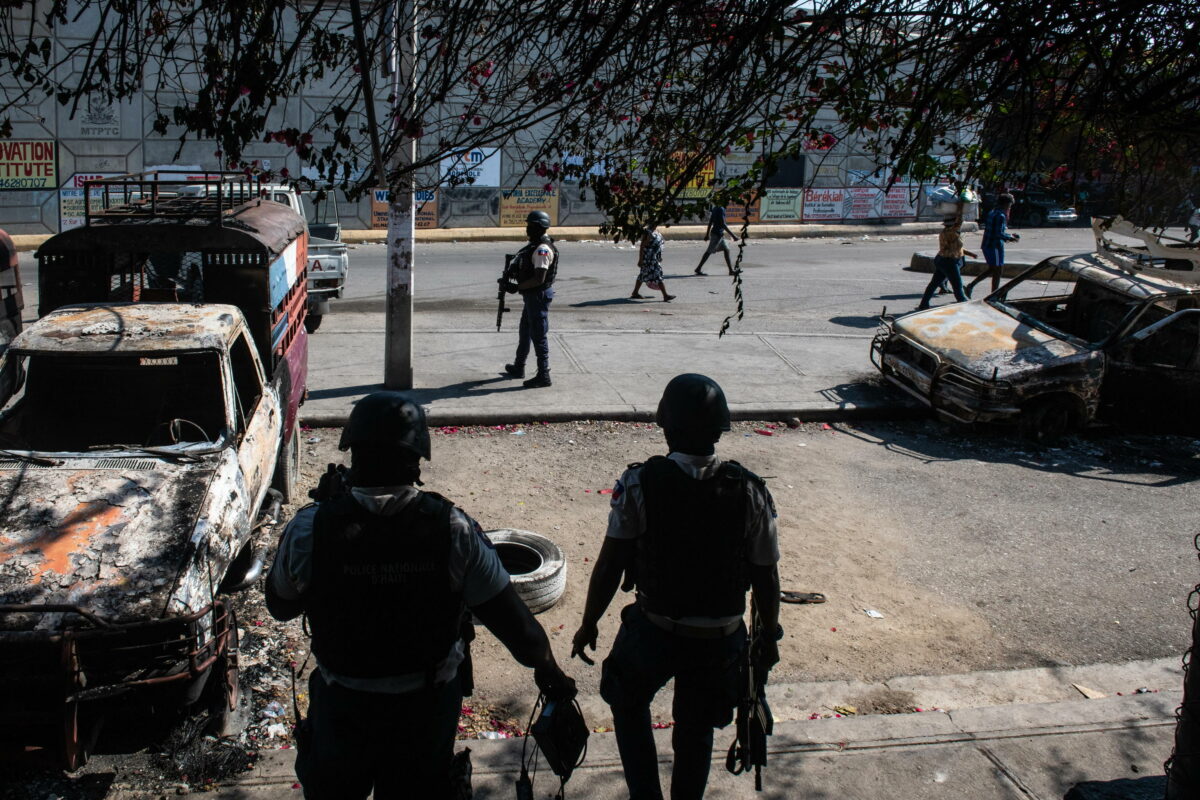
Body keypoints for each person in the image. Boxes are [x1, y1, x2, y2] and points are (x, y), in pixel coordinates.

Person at [265, 391, 575, 800]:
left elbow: (280, 605)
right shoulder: (454, 530)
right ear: (417, 461)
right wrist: (550, 672)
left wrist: (330, 526)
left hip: (342, 712)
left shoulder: (310, 529)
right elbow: (521, 633)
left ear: (353, 453)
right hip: (422, 716)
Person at [570, 374, 782, 800]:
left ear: (665, 426)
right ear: (719, 429)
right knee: (696, 729)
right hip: (720, 637)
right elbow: (766, 577)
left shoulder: (638, 483)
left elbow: (612, 562)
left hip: (655, 630)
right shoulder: (751, 491)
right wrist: (767, 636)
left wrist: (589, 622)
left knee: (627, 704)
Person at [501, 210, 559, 388]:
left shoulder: (542, 249)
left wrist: (516, 287)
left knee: (538, 335)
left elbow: (538, 279)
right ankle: (519, 366)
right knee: (525, 331)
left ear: (539, 228)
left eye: (530, 226)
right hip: (532, 296)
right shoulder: (533, 246)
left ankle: (544, 375)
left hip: (537, 296)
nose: (527, 229)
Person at [917, 210, 976, 310]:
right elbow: (960, 221)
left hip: (942, 260)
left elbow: (955, 247)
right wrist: (961, 208)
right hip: (949, 262)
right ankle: (965, 305)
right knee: (958, 286)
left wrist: (970, 254)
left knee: (934, 284)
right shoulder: (952, 232)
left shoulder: (947, 232)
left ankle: (924, 304)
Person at [965, 193, 1019, 297]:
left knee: (992, 269)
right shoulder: (1001, 216)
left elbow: (996, 231)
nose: (1010, 207)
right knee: (998, 271)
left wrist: (1008, 236)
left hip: (987, 245)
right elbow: (998, 233)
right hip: (995, 247)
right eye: (1010, 204)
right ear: (1006, 204)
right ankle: (994, 295)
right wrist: (1010, 238)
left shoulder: (993, 212)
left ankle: (971, 286)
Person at [631, 223, 675, 302]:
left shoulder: (656, 231)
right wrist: (640, 260)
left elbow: (658, 245)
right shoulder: (648, 232)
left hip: (654, 258)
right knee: (657, 276)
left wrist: (659, 256)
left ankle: (635, 292)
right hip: (649, 259)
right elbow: (642, 246)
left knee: (642, 275)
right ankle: (665, 295)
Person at [693, 206, 738, 276]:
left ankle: (731, 270)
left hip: (719, 234)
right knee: (708, 252)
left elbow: (710, 222)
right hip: (717, 235)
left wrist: (707, 234)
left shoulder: (715, 208)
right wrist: (733, 235)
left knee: (726, 250)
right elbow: (723, 224)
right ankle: (698, 268)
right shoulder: (721, 209)